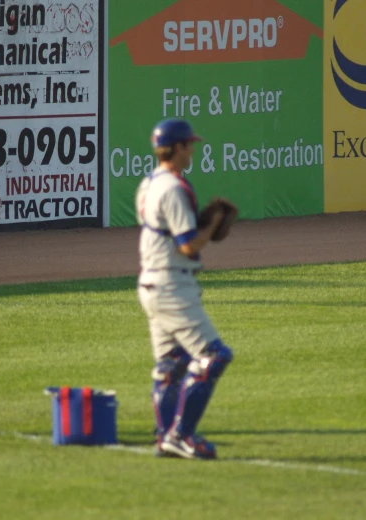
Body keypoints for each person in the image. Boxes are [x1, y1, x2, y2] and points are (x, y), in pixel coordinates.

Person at [134, 118, 233, 460]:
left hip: (150, 282)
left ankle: (165, 437)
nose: (192, 150)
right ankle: (182, 435)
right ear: (177, 148)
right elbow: (189, 246)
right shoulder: (174, 188)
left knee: (171, 365)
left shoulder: (149, 183)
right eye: (189, 145)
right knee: (214, 356)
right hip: (172, 284)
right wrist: (214, 226)